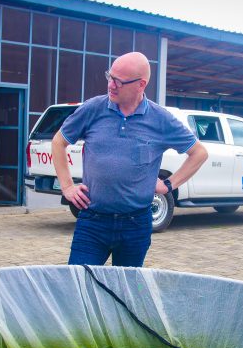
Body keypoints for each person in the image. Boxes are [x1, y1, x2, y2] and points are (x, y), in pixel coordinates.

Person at [52, 52, 208, 267]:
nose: (111, 85)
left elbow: (199, 153)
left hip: (136, 225)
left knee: (125, 294)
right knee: (79, 286)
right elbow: (58, 141)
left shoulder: (161, 120)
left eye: (119, 81)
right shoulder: (93, 109)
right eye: (110, 76)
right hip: (93, 221)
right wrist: (67, 186)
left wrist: (168, 185)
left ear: (141, 84)